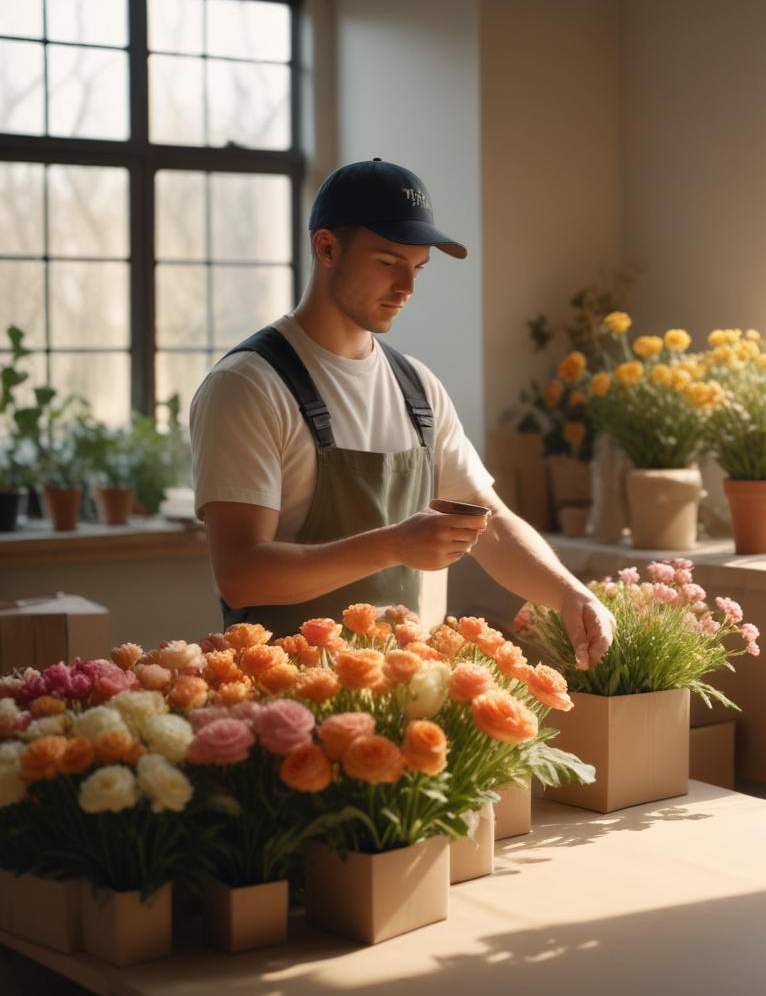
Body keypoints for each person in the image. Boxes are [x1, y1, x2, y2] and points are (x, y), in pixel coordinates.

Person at [190, 158, 614, 669]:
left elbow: (491, 525)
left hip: (411, 704)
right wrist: (394, 545)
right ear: (326, 247)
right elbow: (241, 572)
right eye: (388, 263)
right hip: (290, 710)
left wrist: (571, 595)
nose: (406, 288)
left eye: (417, 268)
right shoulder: (248, 386)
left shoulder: (418, 388)